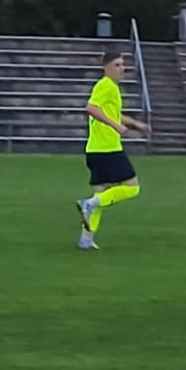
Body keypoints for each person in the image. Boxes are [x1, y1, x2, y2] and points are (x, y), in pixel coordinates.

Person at [76, 51, 147, 249]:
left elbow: (114, 114)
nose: (122, 69)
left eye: (123, 65)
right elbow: (91, 108)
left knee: (102, 195)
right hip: (107, 149)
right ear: (106, 67)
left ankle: (86, 239)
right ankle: (87, 204)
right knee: (132, 188)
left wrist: (135, 124)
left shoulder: (112, 88)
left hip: (96, 150)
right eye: (117, 65)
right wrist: (116, 127)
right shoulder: (105, 85)